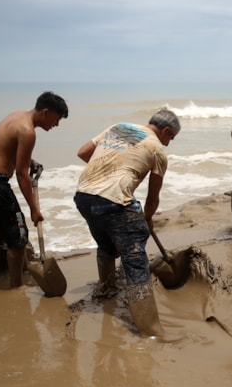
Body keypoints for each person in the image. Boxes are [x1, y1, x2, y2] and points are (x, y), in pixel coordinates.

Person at [74, 109, 181, 339]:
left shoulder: (118, 127)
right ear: (165, 131)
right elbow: (153, 198)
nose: (168, 143)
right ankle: (150, 329)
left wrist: (108, 171)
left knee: (106, 246)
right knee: (136, 262)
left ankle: (108, 289)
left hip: (84, 196)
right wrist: (148, 219)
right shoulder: (157, 150)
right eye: (170, 138)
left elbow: (83, 152)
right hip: (114, 201)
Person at [0, 91, 69, 288]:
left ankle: (19, 278)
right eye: (56, 119)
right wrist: (34, 209)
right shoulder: (28, 131)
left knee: (13, 233)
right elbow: (21, 174)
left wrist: (30, 161)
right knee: (18, 238)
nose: (56, 124)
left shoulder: (17, 117)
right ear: (45, 112)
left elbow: (8, 151)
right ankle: (16, 287)